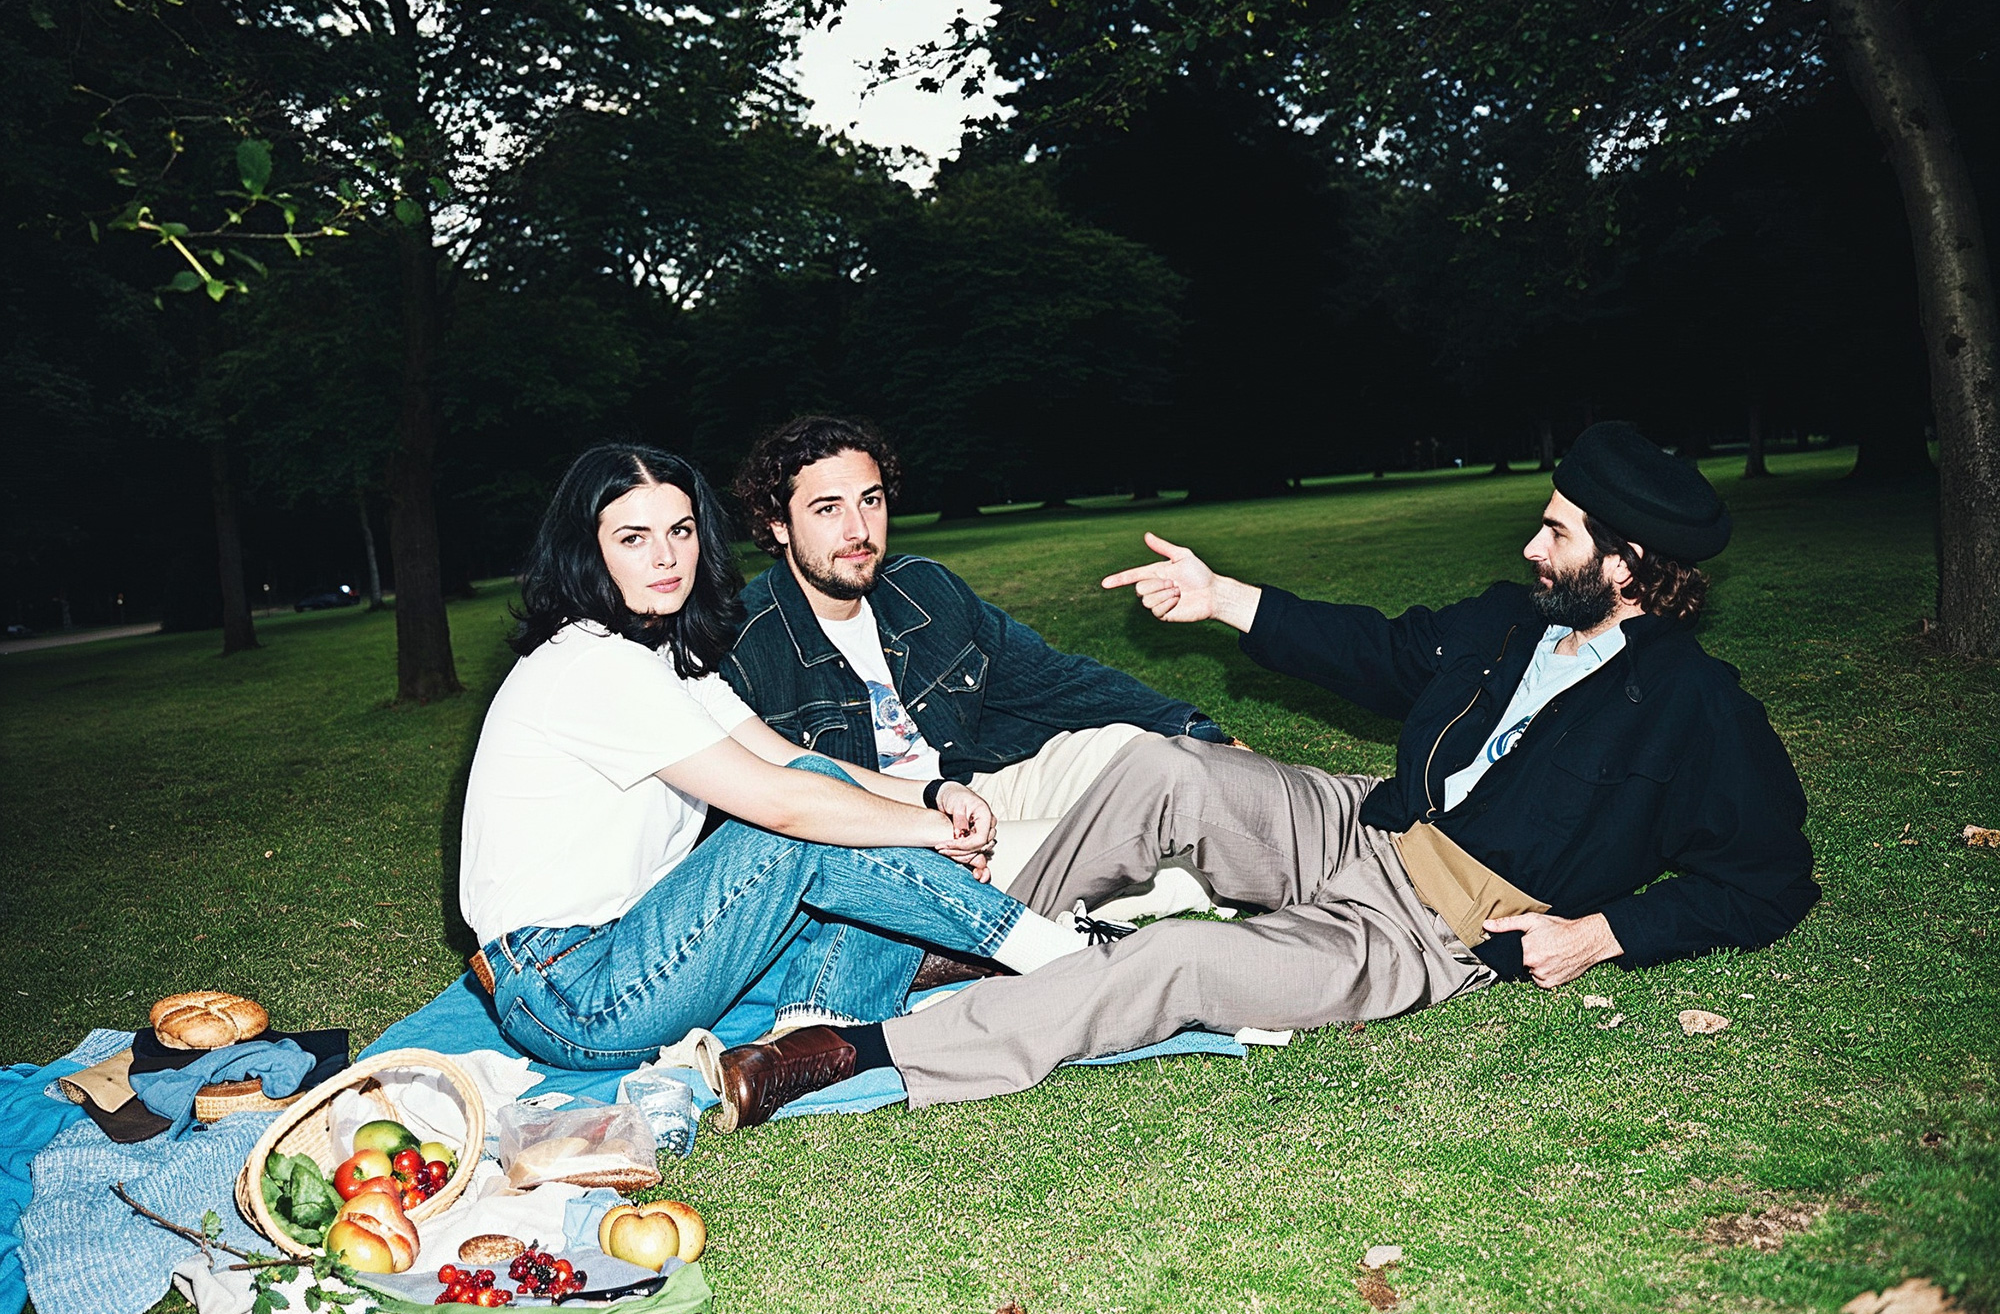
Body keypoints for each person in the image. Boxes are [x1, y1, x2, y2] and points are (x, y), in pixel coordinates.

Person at [710, 422, 1819, 1128]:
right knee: (1162, 768)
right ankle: (973, 940)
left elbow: (1767, 880)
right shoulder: (1509, 621)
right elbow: (1376, 651)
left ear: (1628, 564)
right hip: (1359, 825)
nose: (1532, 548)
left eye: (1557, 534)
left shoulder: (1696, 710)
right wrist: (1222, 598)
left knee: (1180, 956)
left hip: (1427, 929)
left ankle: (850, 1050)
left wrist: (1602, 935)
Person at [457, 443, 1127, 1075]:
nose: (666, 556)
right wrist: (929, 832)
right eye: (634, 538)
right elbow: (783, 803)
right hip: (572, 992)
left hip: (633, 942)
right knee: (808, 822)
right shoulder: (594, 664)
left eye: (681, 531)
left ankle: (820, 1018)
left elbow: (787, 758)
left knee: (837, 812)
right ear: (588, 550)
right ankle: (1050, 950)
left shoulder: (663, 658)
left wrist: (931, 796)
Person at [717, 415, 1235, 1000]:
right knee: (1157, 856)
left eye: (870, 500)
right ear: (778, 524)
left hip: (975, 791)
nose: (858, 529)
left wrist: (1194, 730)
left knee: (1136, 750)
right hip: (888, 845)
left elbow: (1053, 679)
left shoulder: (923, 588)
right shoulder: (746, 645)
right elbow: (767, 820)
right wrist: (924, 832)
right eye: (827, 508)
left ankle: (1152, 858)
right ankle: (1170, 876)